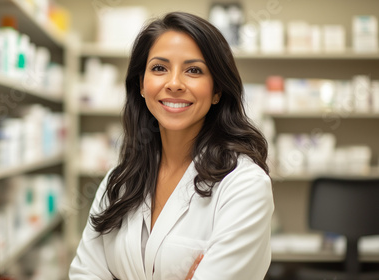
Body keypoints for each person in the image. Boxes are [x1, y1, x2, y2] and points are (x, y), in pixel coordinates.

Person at [69, 11, 274, 280]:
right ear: (141, 85)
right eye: (159, 68)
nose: (174, 83)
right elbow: (85, 273)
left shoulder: (244, 185)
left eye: (193, 70)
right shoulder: (119, 181)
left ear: (217, 91)